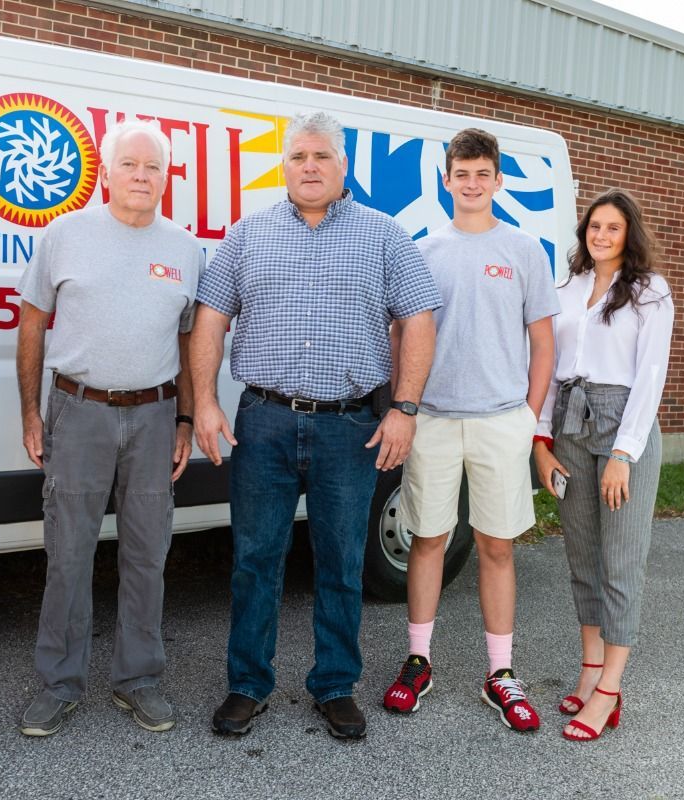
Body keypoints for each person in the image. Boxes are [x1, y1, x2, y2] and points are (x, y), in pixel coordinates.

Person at [190, 111, 440, 740]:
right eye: (299, 156)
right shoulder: (248, 235)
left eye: (322, 157)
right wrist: (206, 402)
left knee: (338, 560)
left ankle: (334, 684)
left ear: (343, 166)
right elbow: (210, 319)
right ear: (284, 165)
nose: (309, 167)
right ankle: (247, 683)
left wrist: (404, 408)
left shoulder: (384, 236)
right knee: (254, 558)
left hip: (348, 427)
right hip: (264, 421)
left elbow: (419, 320)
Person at [15, 120, 202, 737]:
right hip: (79, 410)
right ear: (106, 169)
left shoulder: (184, 249)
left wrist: (185, 417)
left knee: (148, 553)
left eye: (153, 167)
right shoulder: (65, 236)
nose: (142, 176)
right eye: (130, 165)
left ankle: (138, 679)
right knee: (68, 554)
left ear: (167, 176)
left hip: (154, 415)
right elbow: (33, 325)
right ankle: (59, 684)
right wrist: (29, 412)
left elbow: (189, 339)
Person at [381, 128, 558, 733]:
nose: (473, 183)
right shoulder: (423, 251)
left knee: (496, 545)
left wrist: (529, 418)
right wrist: (403, 405)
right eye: (462, 174)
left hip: (500, 421)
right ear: (447, 180)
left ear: (498, 180)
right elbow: (402, 335)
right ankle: (418, 661)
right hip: (432, 418)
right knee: (427, 541)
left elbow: (542, 341)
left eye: (483, 174)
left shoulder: (525, 250)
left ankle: (500, 674)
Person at [532, 188, 674, 741]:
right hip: (568, 422)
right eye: (594, 226)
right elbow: (544, 365)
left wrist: (623, 454)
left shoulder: (649, 293)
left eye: (613, 228)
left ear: (628, 233)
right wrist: (540, 442)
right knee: (583, 556)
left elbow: (651, 377)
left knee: (620, 561)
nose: (601, 235)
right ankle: (590, 670)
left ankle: (610, 691)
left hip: (621, 427)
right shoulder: (563, 290)